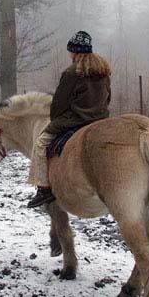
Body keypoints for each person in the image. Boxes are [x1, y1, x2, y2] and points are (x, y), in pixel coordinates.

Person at [27, 31, 112, 208]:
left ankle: (43, 189)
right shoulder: (103, 71)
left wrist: (57, 120)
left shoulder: (72, 72)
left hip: (75, 121)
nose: (69, 54)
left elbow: (59, 104)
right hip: (100, 120)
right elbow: (107, 98)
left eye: (70, 51)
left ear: (75, 51)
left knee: (41, 143)